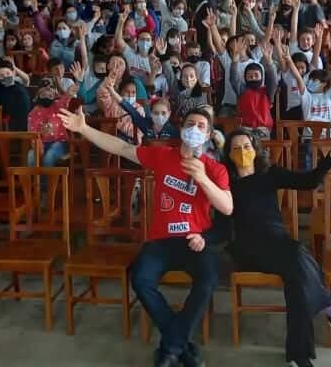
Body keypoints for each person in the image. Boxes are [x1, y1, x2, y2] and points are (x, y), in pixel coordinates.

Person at [58, 106, 232, 367]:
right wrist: (84, 128)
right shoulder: (163, 155)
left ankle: (171, 347)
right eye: (190, 123)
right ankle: (181, 344)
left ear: (208, 136)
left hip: (194, 241)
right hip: (160, 240)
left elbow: (227, 206)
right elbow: (121, 148)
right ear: (181, 128)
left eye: (201, 126)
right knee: (140, 278)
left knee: (208, 281)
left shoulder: (215, 168)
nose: (195, 129)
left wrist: (202, 179)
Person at [214, 131, 331, 367]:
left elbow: (309, 181)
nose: (243, 152)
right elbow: (221, 226)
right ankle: (330, 309)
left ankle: (298, 355)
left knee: (296, 277)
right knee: (297, 254)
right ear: (229, 154)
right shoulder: (226, 184)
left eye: (247, 146)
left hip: (279, 243)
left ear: (255, 148)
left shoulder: (269, 174)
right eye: (236, 148)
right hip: (246, 248)